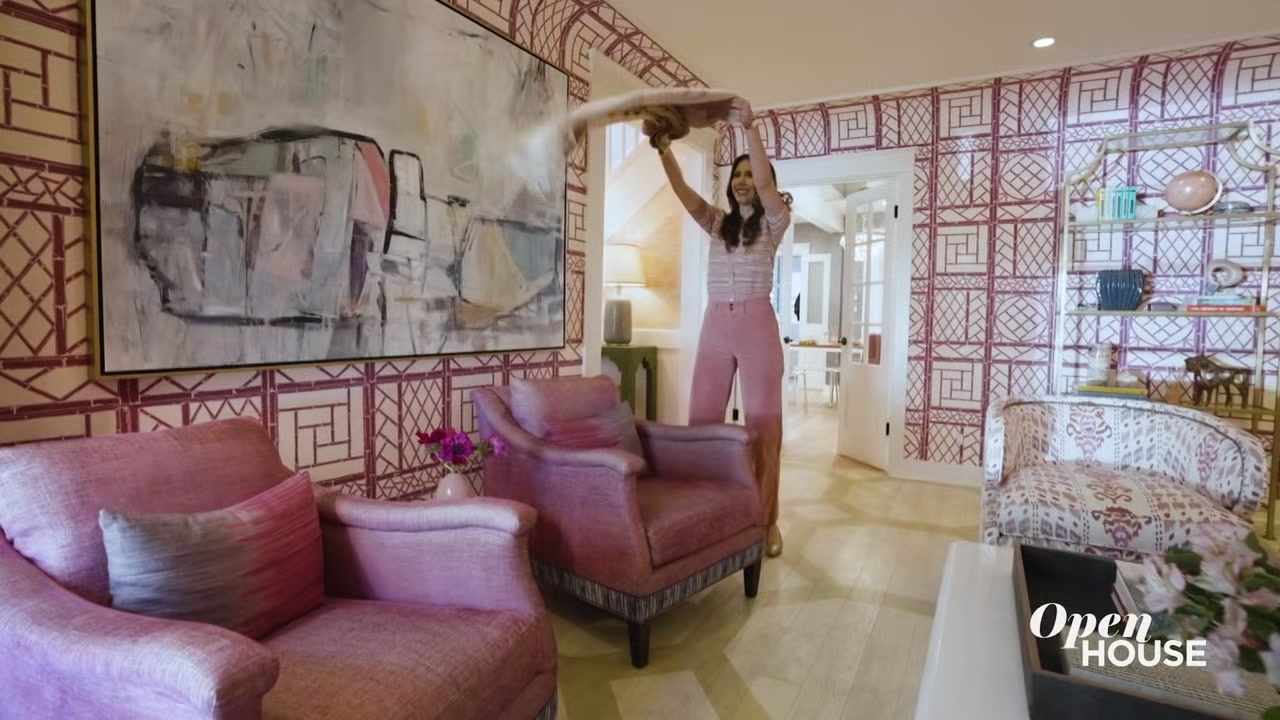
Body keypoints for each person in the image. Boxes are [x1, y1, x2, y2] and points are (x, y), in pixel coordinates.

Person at [651, 97, 791, 558]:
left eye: (749, 174)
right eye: (737, 175)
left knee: (764, 427)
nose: (744, 180)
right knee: (702, 422)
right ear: (730, 185)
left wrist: (749, 128)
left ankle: (767, 520)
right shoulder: (716, 223)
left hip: (757, 325)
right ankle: (705, 514)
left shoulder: (775, 222)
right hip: (715, 325)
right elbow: (682, 192)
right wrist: (664, 150)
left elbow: (767, 183)